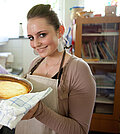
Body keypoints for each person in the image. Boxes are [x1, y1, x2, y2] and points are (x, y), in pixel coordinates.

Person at [15, 4, 96, 134]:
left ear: (60, 31)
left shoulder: (78, 70)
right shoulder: (34, 64)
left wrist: (40, 111)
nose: (35, 44)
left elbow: (80, 131)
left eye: (42, 35)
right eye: (31, 37)